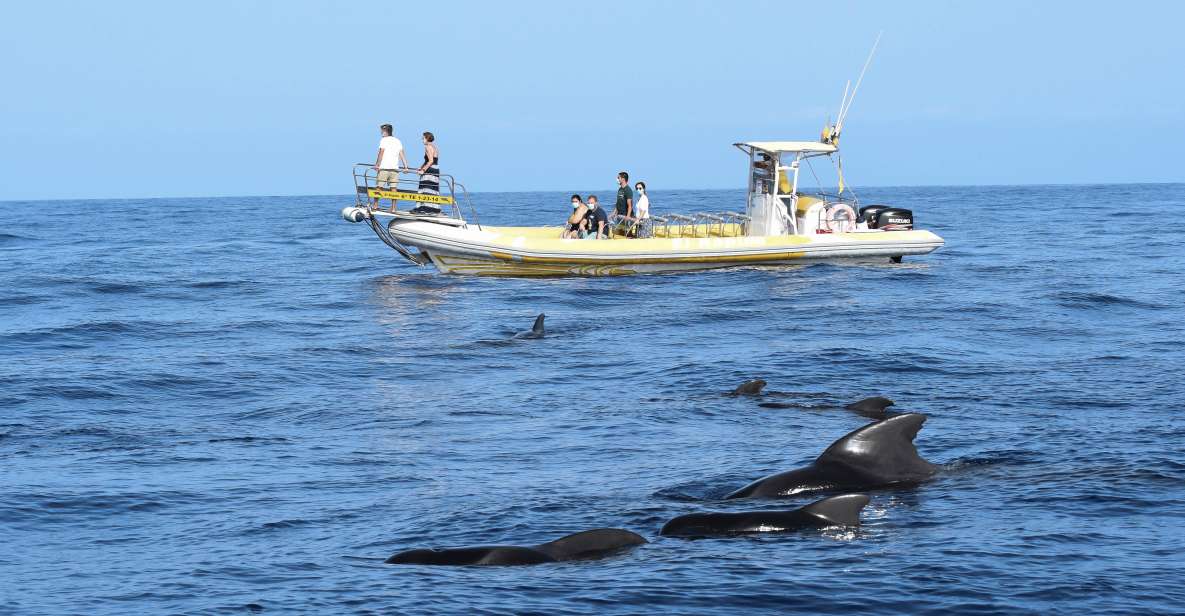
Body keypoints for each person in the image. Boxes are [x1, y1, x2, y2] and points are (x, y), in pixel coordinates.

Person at [373, 124, 408, 210]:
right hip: (395, 168)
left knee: (379, 187)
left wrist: (377, 165)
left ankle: (375, 205)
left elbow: (381, 153)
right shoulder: (398, 141)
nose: (381, 132)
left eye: (382, 131)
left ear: (385, 131)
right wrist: (406, 166)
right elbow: (402, 154)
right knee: (394, 188)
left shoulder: (384, 140)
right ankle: (393, 208)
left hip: (384, 168)